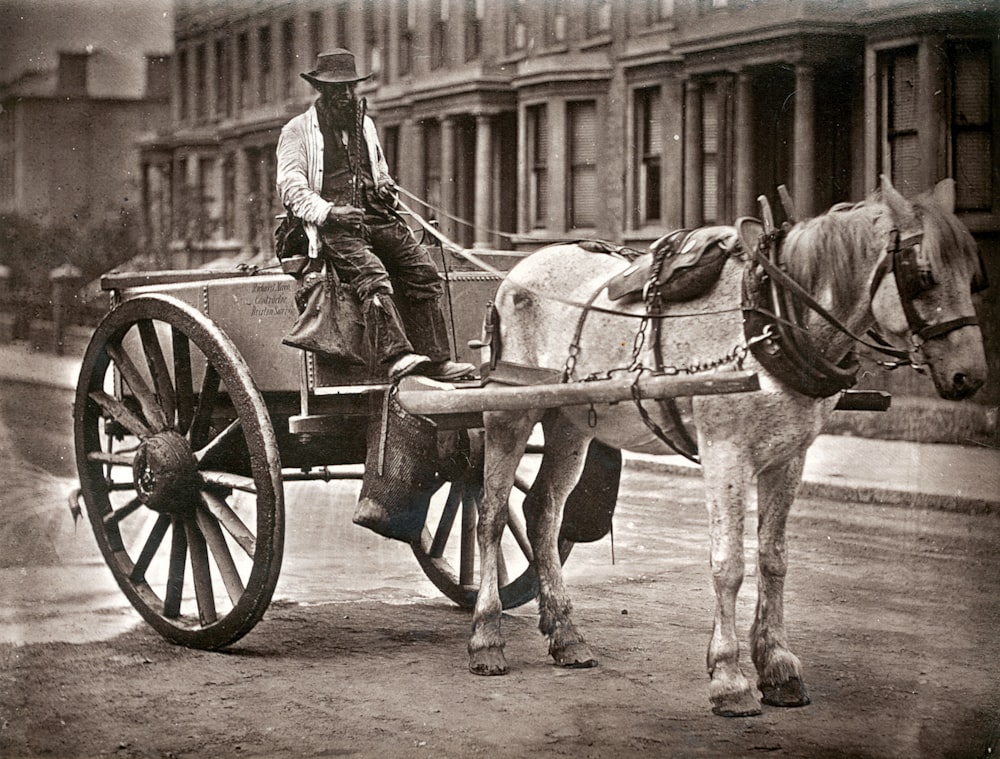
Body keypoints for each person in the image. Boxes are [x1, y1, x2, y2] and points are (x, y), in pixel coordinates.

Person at [276, 49, 474, 382]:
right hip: (331, 229)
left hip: (376, 218)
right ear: (320, 91)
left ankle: (437, 361)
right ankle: (396, 356)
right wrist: (331, 212)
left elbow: (378, 170)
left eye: (350, 88)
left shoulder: (364, 125)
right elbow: (290, 187)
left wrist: (384, 186)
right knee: (372, 274)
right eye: (336, 89)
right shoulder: (297, 131)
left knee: (422, 270)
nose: (345, 95)